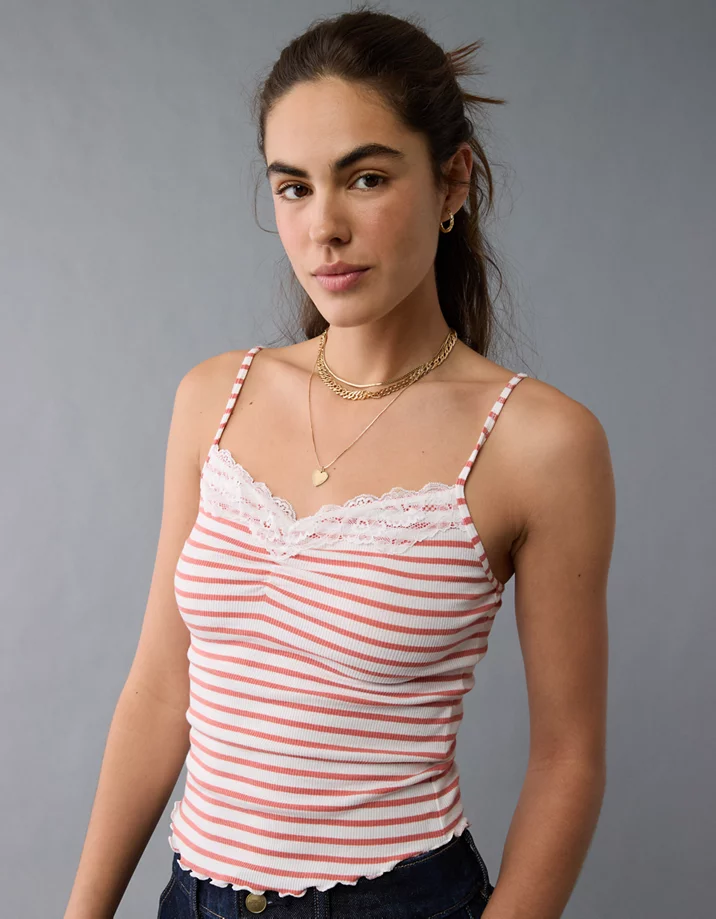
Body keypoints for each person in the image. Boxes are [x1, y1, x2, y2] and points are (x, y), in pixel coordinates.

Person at [64, 7, 614, 919]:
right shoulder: (215, 396)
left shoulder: (539, 443)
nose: (324, 226)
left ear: (452, 181)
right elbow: (160, 688)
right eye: (293, 187)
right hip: (192, 901)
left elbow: (569, 759)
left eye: (365, 178)